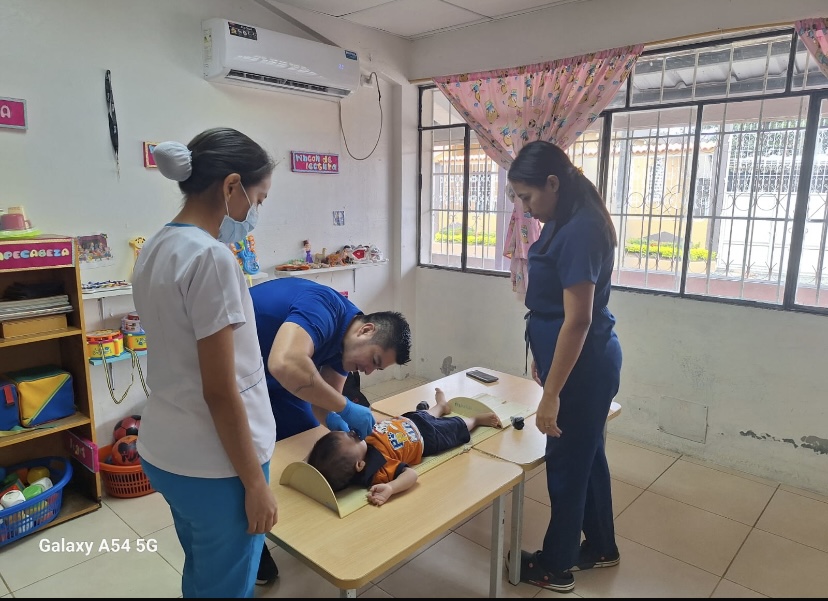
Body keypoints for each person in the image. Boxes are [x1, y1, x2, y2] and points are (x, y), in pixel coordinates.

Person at [132, 128, 277, 598]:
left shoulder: (157, 246)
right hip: (217, 465)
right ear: (232, 186)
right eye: (258, 198)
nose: (255, 213)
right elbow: (219, 389)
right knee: (225, 586)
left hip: (167, 451)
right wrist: (254, 485)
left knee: (202, 571)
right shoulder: (211, 258)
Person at [506, 140, 623, 593]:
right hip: (577, 360)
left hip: (584, 367)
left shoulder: (581, 229)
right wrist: (544, 359)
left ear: (552, 183)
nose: (525, 208)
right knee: (586, 455)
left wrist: (551, 394)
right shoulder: (567, 215)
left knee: (567, 465)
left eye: (527, 197)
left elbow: (578, 321)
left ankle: (555, 566)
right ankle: (602, 546)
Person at [248, 276, 412, 582]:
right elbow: (285, 363)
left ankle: (297, 523)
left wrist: (336, 417)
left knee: (308, 448)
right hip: (234, 375)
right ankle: (251, 543)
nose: (368, 371)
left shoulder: (345, 348)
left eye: (376, 368)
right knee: (247, 460)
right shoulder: (323, 307)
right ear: (366, 330)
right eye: (374, 360)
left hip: (273, 379)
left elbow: (323, 403)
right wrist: (346, 407)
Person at [307, 387, 502, 505]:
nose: (353, 432)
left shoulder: (362, 443)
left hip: (407, 421)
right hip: (427, 438)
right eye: (351, 438)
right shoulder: (379, 469)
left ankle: (442, 406)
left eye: (347, 432)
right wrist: (391, 488)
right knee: (456, 427)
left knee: (427, 414)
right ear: (360, 465)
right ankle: (475, 420)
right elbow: (411, 475)